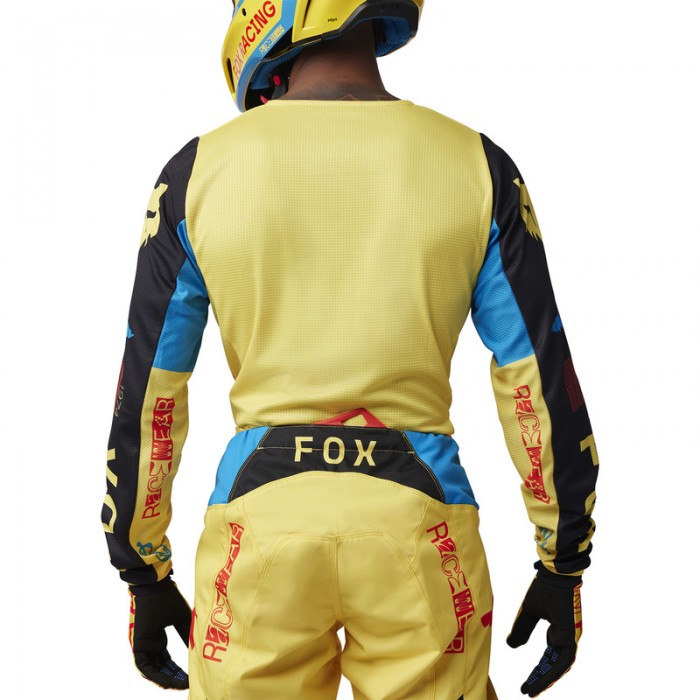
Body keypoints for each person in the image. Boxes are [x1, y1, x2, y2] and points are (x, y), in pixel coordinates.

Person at [102, 1, 599, 698]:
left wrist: (142, 568)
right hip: (422, 525)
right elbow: (537, 379)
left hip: (258, 525)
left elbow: (150, 389)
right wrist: (562, 560)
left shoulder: (197, 171)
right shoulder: (479, 164)